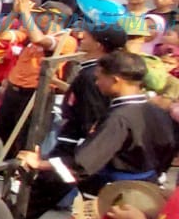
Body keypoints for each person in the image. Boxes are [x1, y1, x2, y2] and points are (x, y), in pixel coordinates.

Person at [18, 49, 178, 200]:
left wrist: (40, 163)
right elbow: (168, 150)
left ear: (115, 80)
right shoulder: (157, 111)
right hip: (146, 189)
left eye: (100, 78)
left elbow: (83, 164)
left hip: (116, 194)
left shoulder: (118, 118)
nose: (97, 83)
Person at [14, 27, 126, 219]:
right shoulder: (93, 71)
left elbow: (91, 119)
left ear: (99, 45)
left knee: (43, 193)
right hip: (74, 143)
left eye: (88, 36)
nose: (82, 37)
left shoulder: (94, 76)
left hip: (75, 147)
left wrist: (79, 153)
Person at [0, 0, 76, 157]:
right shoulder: (27, 32)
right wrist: (14, 13)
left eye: (41, 14)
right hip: (14, 89)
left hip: (36, 94)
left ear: (54, 18)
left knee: (27, 137)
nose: (36, 17)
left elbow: (39, 39)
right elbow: (0, 34)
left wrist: (26, 13)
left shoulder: (66, 40)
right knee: (2, 130)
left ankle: (19, 174)